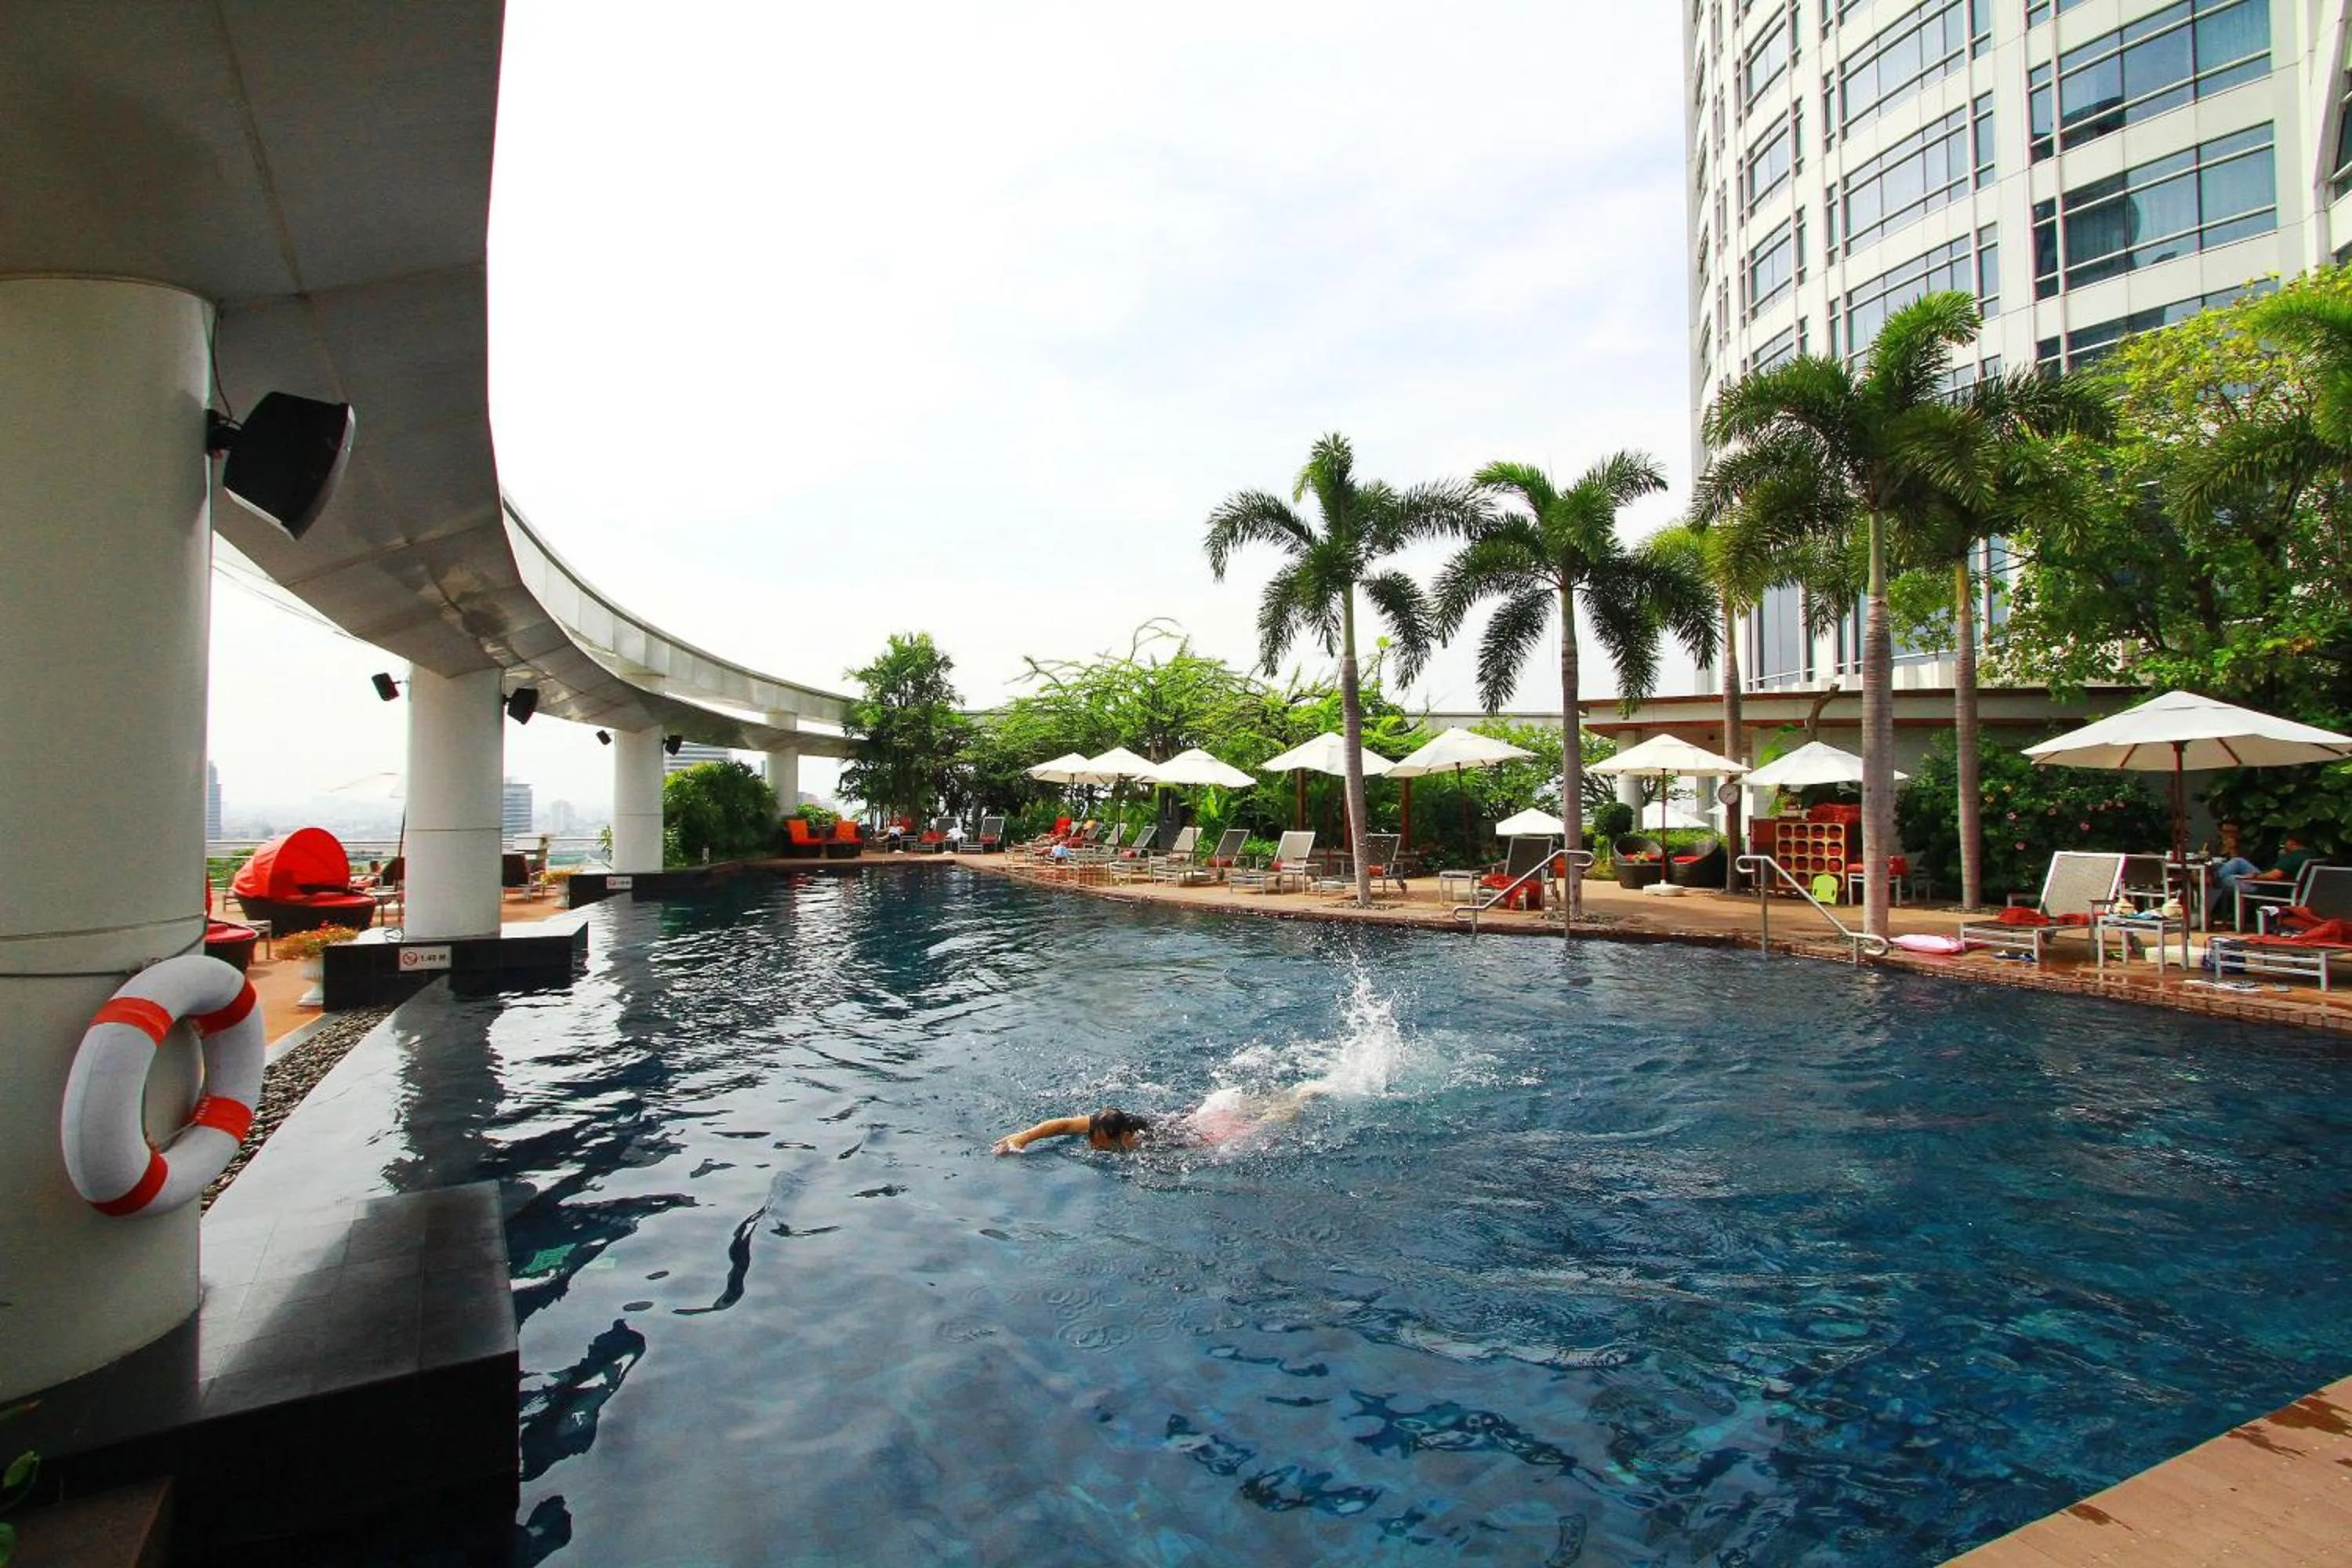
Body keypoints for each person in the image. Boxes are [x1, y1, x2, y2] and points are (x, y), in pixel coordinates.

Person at [993, 1083, 1329, 1156]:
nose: (1092, 1148)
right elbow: (1063, 1125)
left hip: (1210, 1130)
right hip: (1204, 1112)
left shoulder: (1152, 1147)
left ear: (1124, 1139)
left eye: (1099, 1146)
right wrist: (1022, 1138)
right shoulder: (1111, 1122)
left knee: (1274, 1120)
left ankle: (1303, 1095)